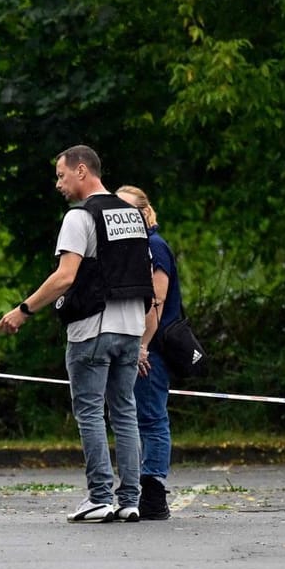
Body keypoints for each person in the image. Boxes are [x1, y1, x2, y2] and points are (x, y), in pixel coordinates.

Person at [0, 146, 154, 522]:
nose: (58, 184)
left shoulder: (80, 217)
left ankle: (100, 496)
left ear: (82, 171)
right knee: (125, 413)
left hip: (93, 329)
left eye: (61, 175)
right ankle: (130, 500)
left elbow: (66, 276)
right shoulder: (133, 214)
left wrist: (23, 310)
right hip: (131, 329)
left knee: (89, 412)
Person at [115, 184, 181, 520]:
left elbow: (156, 303)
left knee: (151, 417)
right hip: (140, 344)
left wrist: (141, 347)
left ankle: (154, 493)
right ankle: (142, 488)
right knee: (138, 417)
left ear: (143, 212)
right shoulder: (137, 248)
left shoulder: (154, 247)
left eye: (127, 209)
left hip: (151, 347)